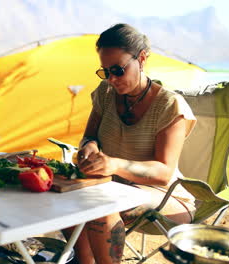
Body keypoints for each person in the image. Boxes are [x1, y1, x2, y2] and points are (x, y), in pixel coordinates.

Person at [63, 23, 197, 264]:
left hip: (167, 198)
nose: (112, 79)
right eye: (105, 71)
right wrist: (90, 147)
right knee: (67, 196)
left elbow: (164, 173)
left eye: (118, 69)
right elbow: (89, 136)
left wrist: (114, 164)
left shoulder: (169, 105)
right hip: (112, 189)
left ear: (142, 59)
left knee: (99, 205)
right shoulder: (105, 93)